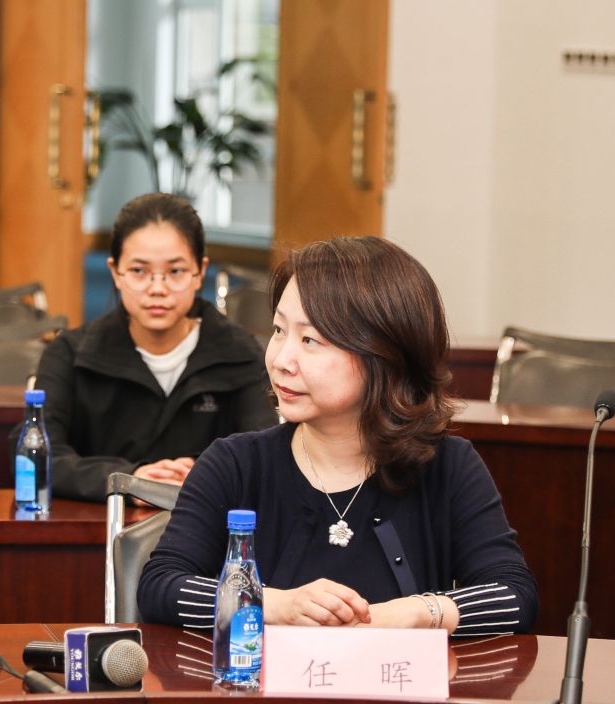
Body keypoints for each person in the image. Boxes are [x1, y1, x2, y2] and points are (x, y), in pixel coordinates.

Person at [138, 236, 537, 637]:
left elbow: (515, 597)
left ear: (384, 355)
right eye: (278, 330)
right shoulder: (236, 464)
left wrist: (420, 612)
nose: (281, 359)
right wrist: (270, 604)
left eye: (310, 340)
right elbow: (160, 586)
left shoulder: (447, 465)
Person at [37, 193, 275, 500]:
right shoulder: (70, 355)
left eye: (175, 272)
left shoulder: (241, 354)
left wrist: (205, 477)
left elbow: (263, 457)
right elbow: (40, 456)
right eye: (139, 271)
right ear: (115, 272)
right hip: (98, 523)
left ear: (200, 272)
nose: (158, 289)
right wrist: (129, 481)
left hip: (208, 523)